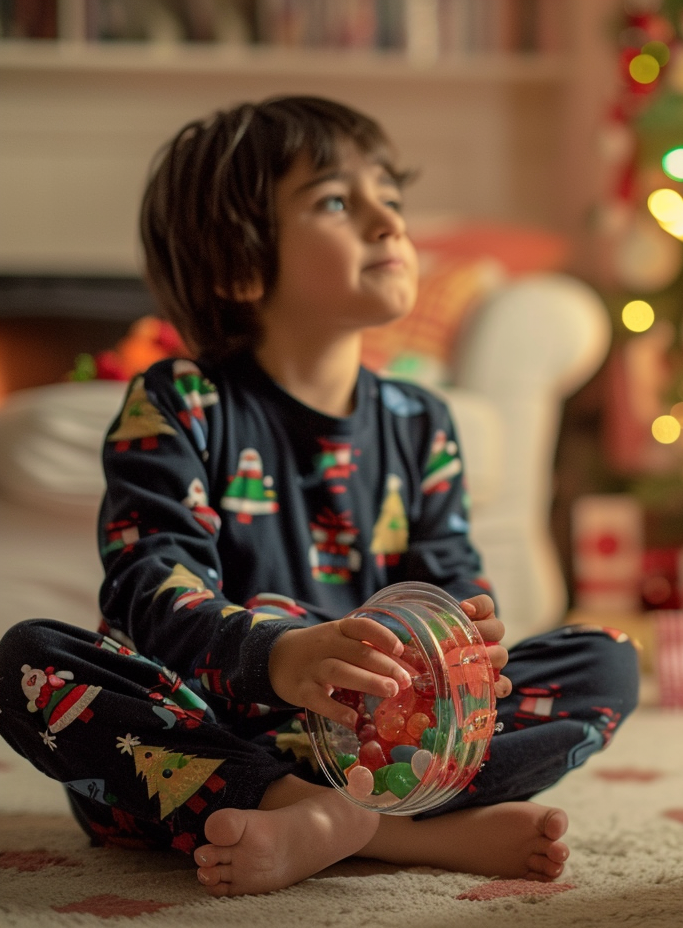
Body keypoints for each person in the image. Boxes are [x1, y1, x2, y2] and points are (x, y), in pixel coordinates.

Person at [0, 96, 639, 897]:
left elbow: (451, 580)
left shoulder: (421, 422)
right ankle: (337, 815)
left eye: (391, 198)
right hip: (209, 729)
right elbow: (147, 592)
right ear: (239, 264)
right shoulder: (178, 401)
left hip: (384, 741)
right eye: (337, 200)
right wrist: (277, 658)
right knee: (30, 661)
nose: (387, 221)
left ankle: (367, 820)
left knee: (607, 661)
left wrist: (469, 641)